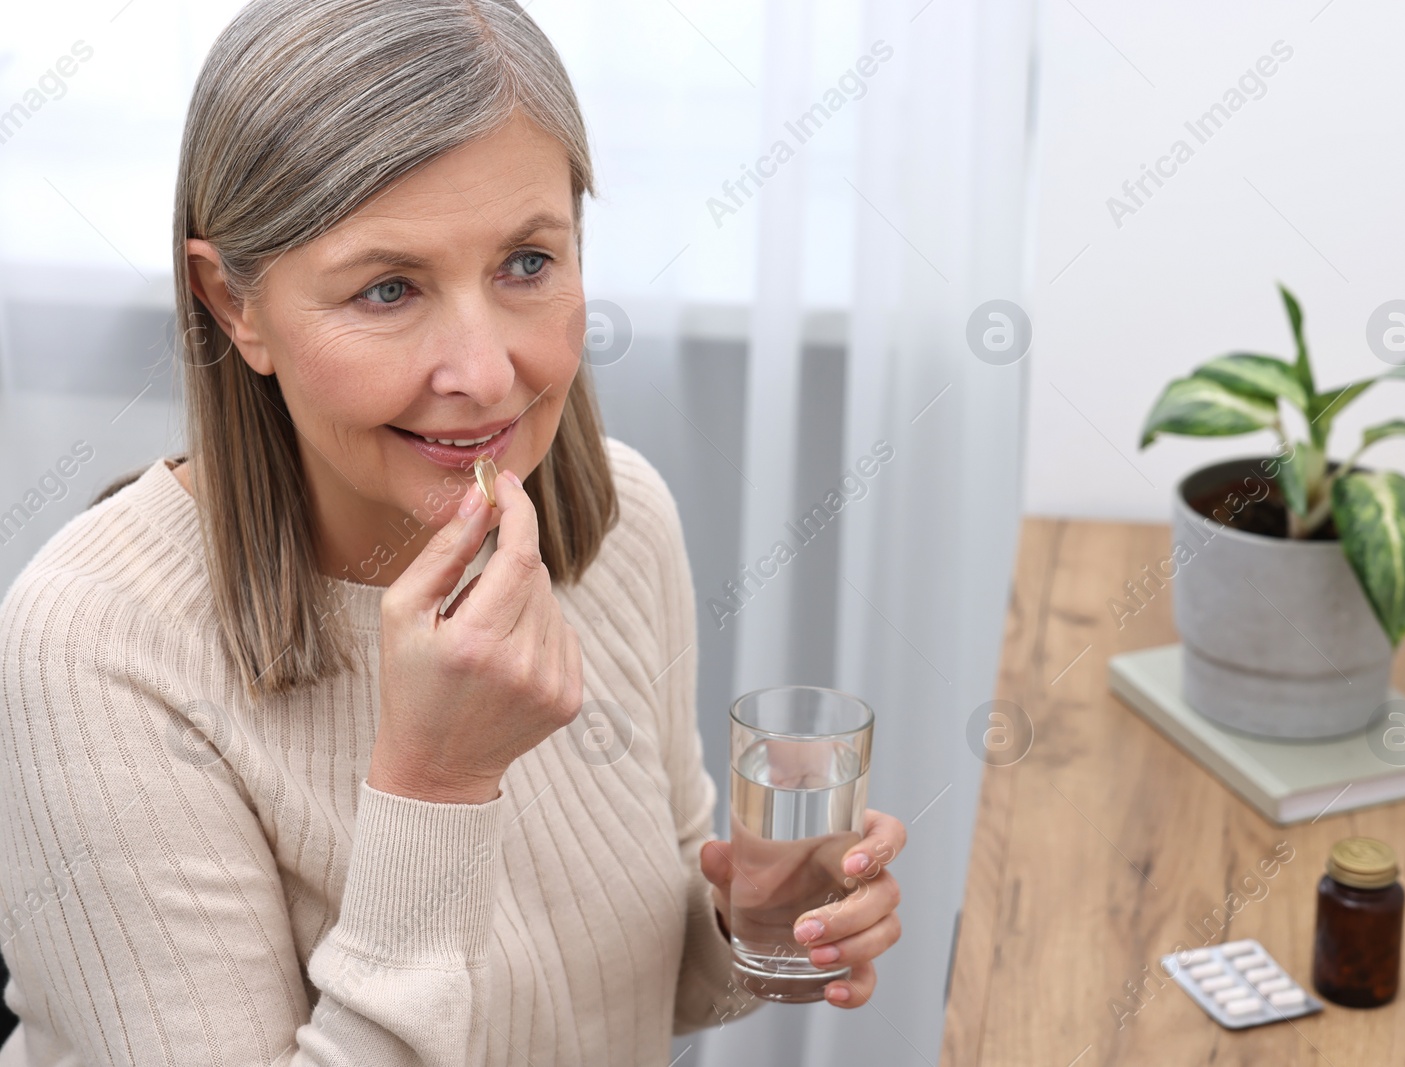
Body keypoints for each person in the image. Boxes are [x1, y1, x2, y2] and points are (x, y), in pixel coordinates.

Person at [0, 1, 905, 1062]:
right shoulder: (98, 645)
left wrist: (748, 922)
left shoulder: (622, 523)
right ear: (231, 299)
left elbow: (631, 989)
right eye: (388, 288)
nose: (483, 374)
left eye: (527, 264)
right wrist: (432, 785)